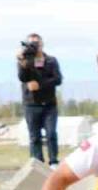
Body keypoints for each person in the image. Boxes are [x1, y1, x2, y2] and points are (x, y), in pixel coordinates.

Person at [16, 33, 63, 165]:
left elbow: (58, 79)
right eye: (32, 44)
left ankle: (53, 161)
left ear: (42, 44)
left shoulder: (51, 60)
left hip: (49, 104)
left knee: (51, 134)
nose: (35, 46)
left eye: (37, 43)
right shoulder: (24, 60)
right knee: (34, 137)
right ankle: (37, 162)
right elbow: (22, 77)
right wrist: (22, 61)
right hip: (31, 104)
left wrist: (41, 85)